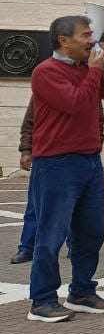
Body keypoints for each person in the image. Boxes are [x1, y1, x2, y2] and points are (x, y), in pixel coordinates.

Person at [25, 15, 104, 323]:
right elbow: (76, 103)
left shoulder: (85, 69)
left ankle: (81, 292)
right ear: (63, 40)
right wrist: (95, 69)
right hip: (56, 163)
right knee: (51, 233)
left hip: (89, 161)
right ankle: (42, 300)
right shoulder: (46, 72)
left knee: (91, 231)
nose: (92, 40)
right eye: (85, 35)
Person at [11, 100, 35, 265]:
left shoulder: (86, 88)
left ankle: (74, 246)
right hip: (45, 158)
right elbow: (29, 123)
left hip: (77, 158)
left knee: (74, 205)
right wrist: (26, 151)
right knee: (34, 206)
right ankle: (27, 248)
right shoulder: (44, 89)